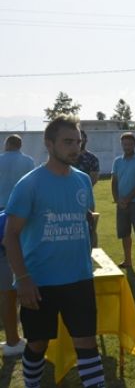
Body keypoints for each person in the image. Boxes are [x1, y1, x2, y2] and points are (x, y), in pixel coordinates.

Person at [3, 116, 106, 387]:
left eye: (79, 141)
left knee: (86, 342)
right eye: (68, 142)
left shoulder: (83, 181)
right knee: (37, 344)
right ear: (49, 144)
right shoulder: (30, 184)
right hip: (40, 283)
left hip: (79, 278)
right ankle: (32, 384)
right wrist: (23, 279)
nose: (76, 148)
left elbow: (85, 220)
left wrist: (90, 244)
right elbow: (11, 235)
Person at [0, 134, 35, 357]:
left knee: (5, 285)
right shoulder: (29, 162)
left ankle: (12, 338)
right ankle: (29, 336)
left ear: (7, 145)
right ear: (20, 146)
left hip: (1, 219)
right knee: (25, 275)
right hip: (22, 220)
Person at [111, 132, 135, 270]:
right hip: (121, 204)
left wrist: (127, 198)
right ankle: (127, 261)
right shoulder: (117, 161)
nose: (127, 147)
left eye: (130, 144)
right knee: (124, 234)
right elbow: (114, 182)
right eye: (125, 144)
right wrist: (117, 199)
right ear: (122, 145)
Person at [76, 130, 101, 248]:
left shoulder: (92, 158)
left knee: (90, 226)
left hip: (86, 198)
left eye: (82, 138)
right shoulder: (68, 158)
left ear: (85, 140)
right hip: (66, 197)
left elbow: (94, 178)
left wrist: (80, 192)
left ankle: (93, 252)